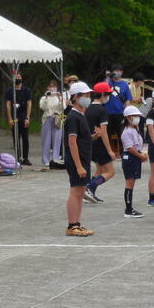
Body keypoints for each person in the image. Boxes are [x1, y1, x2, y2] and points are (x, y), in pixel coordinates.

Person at [64, 81, 95, 237]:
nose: (88, 98)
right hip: (77, 161)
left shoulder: (81, 115)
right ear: (76, 97)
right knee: (75, 191)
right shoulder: (73, 117)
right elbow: (72, 141)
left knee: (81, 191)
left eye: (89, 95)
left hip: (83, 159)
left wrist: (93, 137)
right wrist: (78, 166)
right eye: (85, 95)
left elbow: (82, 138)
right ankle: (72, 225)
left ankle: (77, 223)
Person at [85, 82, 117, 204]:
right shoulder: (102, 110)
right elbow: (103, 132)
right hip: (100, 144)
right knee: (110, 172)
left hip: (90, 143)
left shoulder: (87, 108)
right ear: (103, 94)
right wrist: (109, 150)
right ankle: (90, 188)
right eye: (108, 94)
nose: (108, 97)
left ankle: (90, 192)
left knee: (99, 170)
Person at [120, 106, 147, 218]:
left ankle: (129, 208)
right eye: (134, 115)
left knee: (132, 182)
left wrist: (142, 154)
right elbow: (130, 148)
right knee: (129, 183)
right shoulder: (127, 132)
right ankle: (128, 209)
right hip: (130, 157)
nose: (137, 118)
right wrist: (140, 156)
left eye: (137, 115)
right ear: (128, 117)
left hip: (135, 157)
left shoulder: (135, 129)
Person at [5, 73, 33, 165]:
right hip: (14, 118)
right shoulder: (9, 91)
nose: (18, 78)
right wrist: (10, 118)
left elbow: (29, 104)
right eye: (16, 77)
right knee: (16, 139)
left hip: (24, 117)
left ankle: (25, 158)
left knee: (25, 138)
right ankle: (18, 158)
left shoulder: (27, 90)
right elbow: (8, 105)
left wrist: (27, 117)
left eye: (19, 77)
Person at [104, 64, 133, 140]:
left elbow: (128, 98)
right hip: (107, 113)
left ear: (122, 72)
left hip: (120, 113)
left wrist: (126, 111)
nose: (117, 72)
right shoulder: (107, 81)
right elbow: (104, 90)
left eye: (118, 71)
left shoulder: (124, 84)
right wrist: (107, 77)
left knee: (121, 135)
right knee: (107, 135)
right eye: (115, 71)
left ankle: (121, 148)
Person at [39, 80, 64, 166]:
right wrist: (46, 98)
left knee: (57, 140)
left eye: (54, 86)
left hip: (57, 119)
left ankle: (55, 159)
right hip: (47, 119)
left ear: (57, 88)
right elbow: (42, 107)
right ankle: (45, 160)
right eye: (50, 86)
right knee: (46, 140)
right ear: (48, 88)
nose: (52, 88)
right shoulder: (44, 98)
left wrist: (60, 99)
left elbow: (63, 108)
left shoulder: (60, 97)